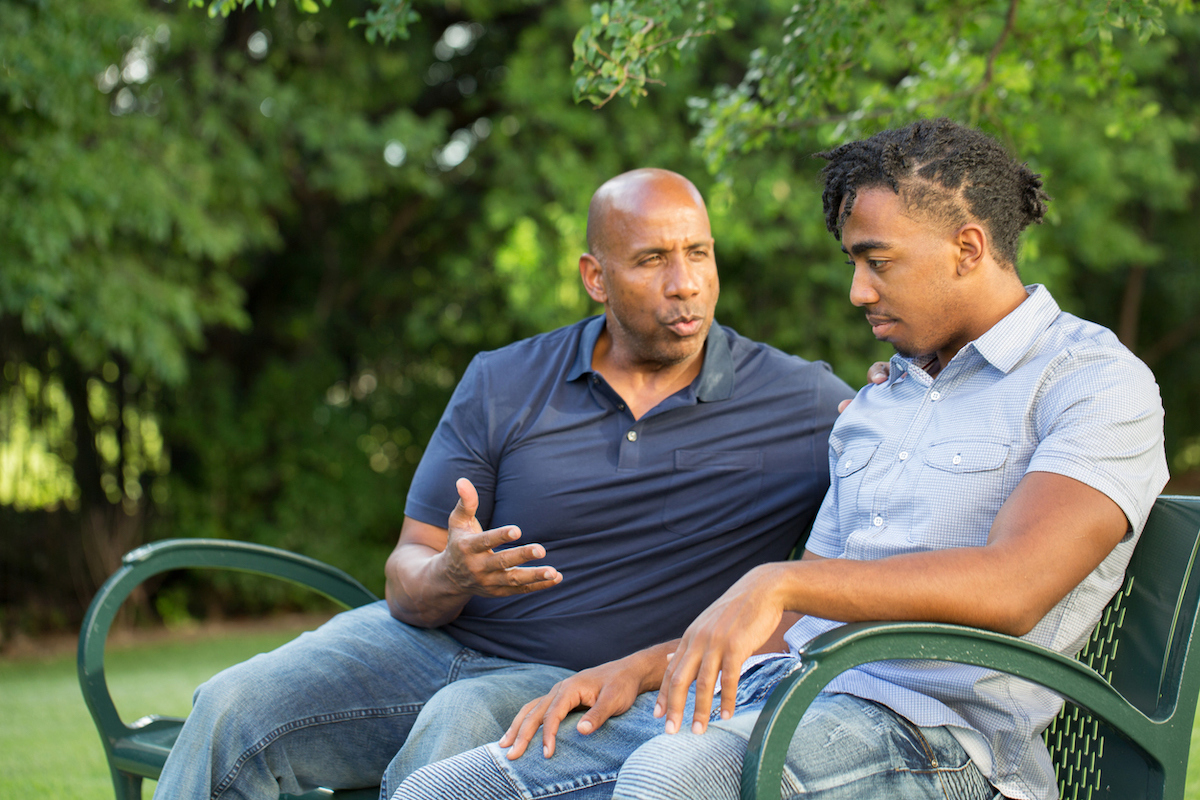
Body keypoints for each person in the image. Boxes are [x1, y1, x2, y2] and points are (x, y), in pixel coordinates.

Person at [392, 119, 1170, 800]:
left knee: (673, 778)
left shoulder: (1089, 383)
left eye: (879, 261)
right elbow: (801, 620)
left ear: (968, 247)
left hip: (938, 744)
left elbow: (1016, 585)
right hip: (780, 696)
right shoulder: (883, 401)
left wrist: (781, 576)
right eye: (851, 265)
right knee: (455, 785)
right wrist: (643, 666)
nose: (859, 292)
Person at [151, 168, 855, 800]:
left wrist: (894, 395)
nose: (686, 282)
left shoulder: (800, 402)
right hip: (423, 646)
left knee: (456, 731)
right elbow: (406, 571)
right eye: (651, 260)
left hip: (584, 681)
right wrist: (452, 572)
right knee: (231, 706)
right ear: (595, 277)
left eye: (698, 253)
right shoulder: (505, 380)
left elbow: (901, 456)